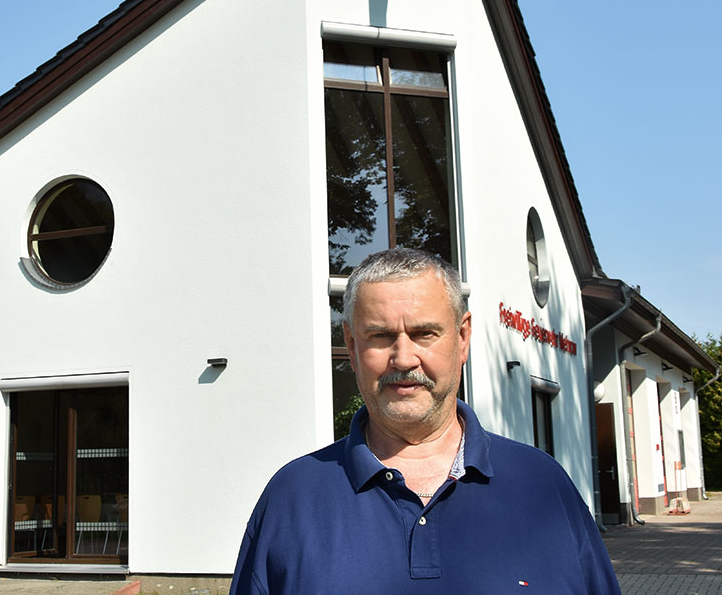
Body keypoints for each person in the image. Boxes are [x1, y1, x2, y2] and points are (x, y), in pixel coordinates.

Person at [231, 248, 620, 593]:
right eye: (381, 336)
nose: (403, 358)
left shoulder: (543, 487)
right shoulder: (292, 499)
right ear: (351, 345)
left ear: (462, 338)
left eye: (424, 333)